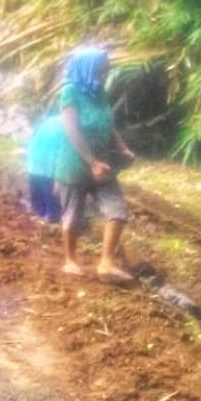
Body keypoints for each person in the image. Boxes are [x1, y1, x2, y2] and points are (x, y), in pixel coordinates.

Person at [54, 45, 135, 282]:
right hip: (74, 166)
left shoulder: (100, 92)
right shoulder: (69, 92)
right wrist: (91, 161)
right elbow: (71, 129)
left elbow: (108, 124)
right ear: (87, 68)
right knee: (73, 217)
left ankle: (105, 264)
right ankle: (70, 260)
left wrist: (122, 148)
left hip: (103, 165)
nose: (105, 73)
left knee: (117, 211)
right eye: (101, 69)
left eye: (106, 69)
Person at [26, 114, 63, 223]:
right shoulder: (57, 123)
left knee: (41, 189)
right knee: (44, 189)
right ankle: (47, 214)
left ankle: (47, 215)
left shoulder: (52, 120)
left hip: (38, 161)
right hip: (41, 161)